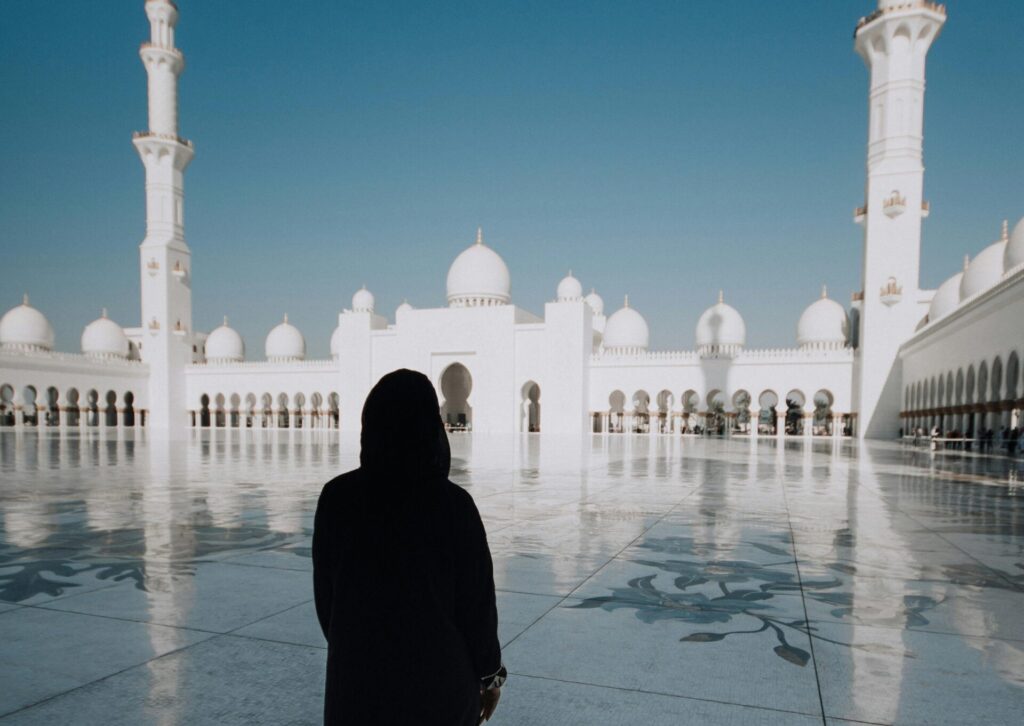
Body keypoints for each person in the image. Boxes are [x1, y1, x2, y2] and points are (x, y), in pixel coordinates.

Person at [313, 369, 506, 725]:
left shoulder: (337, 499)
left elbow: (328, 604)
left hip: (356, 690)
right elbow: (477, 609)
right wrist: (491, 676)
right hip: (438, 694)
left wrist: (362, 646)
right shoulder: (453, 506)